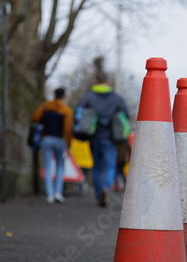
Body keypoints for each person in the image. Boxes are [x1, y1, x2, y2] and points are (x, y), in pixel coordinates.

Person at [76, 58, 130, 207]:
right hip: (111, 138)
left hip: (93, 137)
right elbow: (127, 113)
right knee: (110, 166)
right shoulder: (116, 98)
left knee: (97, 167)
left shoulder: (88, 97)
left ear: (95, 82)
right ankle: (107, 187)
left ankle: (99, 194)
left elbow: (79, 112)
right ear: (107, 81)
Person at [31, 88, 73, 204]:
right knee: (60, 166)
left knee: (48, 167)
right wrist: (68, 145)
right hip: (60, 140)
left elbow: (35, 117)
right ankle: (58, 193)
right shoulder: (66, 110)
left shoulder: (45, 106)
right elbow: (68, 129)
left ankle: (49, 195)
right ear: (64, 97)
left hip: (47, 139)